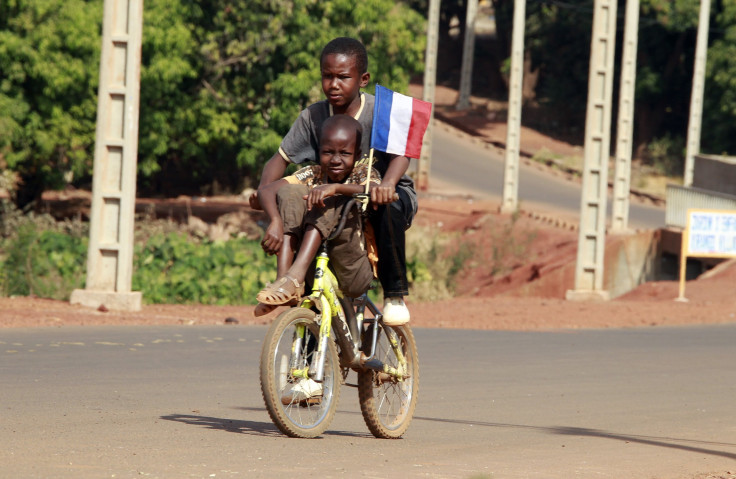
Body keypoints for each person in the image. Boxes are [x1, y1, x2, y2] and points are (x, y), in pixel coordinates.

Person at [249, 37, 416, 326]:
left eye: (343, 77)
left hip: (380, 189)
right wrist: (265, 198)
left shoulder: (380, 111)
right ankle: (294, 292)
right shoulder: (313, 116)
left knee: (389, 208)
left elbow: (402, 152)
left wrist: (388, 183)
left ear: (363, 79)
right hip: (331, 195)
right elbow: (279, 160)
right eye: (327, 76)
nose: (334, 84)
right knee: (300, 203)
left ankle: (395, 294)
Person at [255, 114, 379, 314]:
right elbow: (267, 190)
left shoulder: (363, 172)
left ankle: (294, 277)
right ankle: (285, 281)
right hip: (315, 266)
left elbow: (374, 189)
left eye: (344, 153)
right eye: (328, 152)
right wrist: (275, 221)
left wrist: (335, 188)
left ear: (357, 155)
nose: (336, 160)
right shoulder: (314, 173)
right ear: (318, 152)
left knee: (327, 198)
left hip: (352, 267)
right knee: (290, 191)